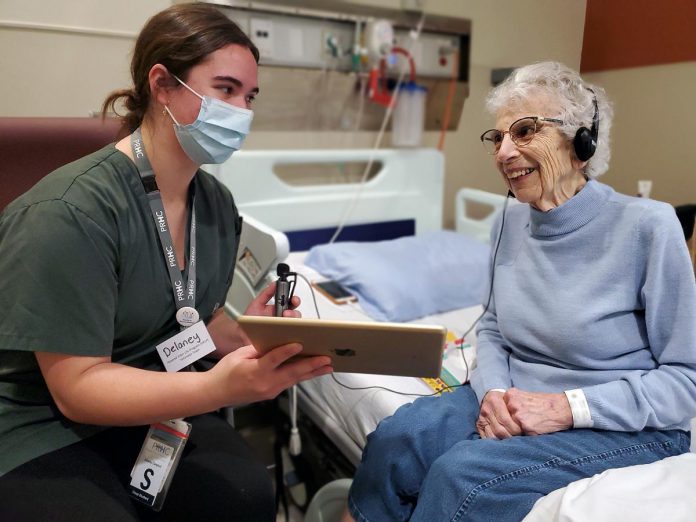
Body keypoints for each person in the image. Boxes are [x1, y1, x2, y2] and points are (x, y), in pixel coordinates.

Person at [0, 4, 332, 520]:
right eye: (224, 90)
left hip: (152, 399)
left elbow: (191, 315)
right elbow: (76, 389)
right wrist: (214, 387)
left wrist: (246, 336)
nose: (241, 112)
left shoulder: (217, 206)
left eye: (249, 96)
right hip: (41, 421)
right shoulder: (69, 212)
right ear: (162, 85)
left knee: (243, 496)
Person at [343, 61, 696, 522]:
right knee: (397, 438)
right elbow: (491, 326)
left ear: (581, 142)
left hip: (622, 420)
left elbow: (685, 378)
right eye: (498, 138)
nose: (504, 152)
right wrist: (493, 392)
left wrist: (563, 409)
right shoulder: (508, 219)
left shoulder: (648, 226)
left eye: (525, 131)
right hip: (513, 396)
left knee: (461, 476)